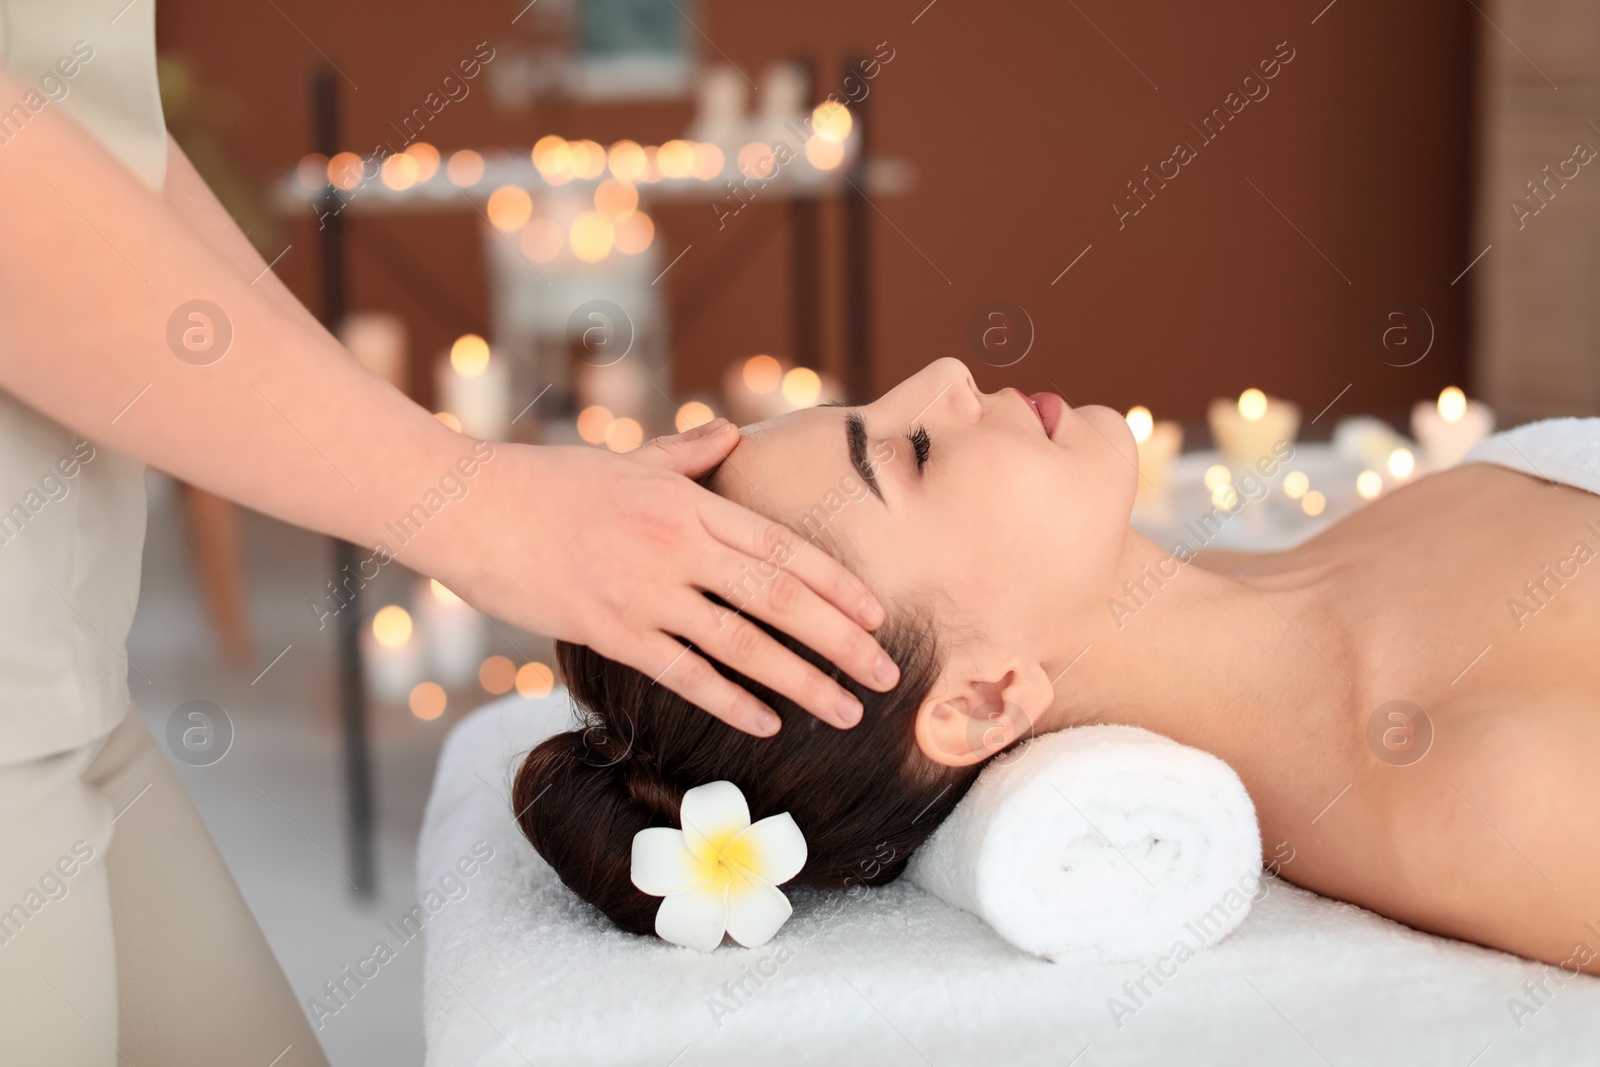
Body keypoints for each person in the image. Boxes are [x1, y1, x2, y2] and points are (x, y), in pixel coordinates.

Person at [0, 4, 896, 1064]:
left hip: (57, 666)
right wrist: (472, 505)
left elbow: (93, 130)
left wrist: (461, 495)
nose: (953, 381)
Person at [517, 357, 1600, 976]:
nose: (945, 375)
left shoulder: (1311, 567)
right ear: (984, 698)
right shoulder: (1475, 782)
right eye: (913, 453)